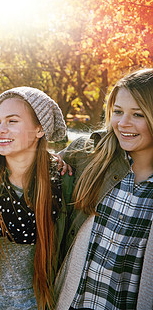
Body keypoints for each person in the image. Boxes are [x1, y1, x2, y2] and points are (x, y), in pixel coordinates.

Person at [0, 87, 72, 310]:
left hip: (34, 304)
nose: (0, 130)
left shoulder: (61, 182)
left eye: (12, 121)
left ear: (39, 129)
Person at [55, 69, 153, 309]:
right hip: (72, 302)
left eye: (138, 114)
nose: (122, 123)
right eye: (118, 112)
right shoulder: (87, 155)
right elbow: (28, 168)